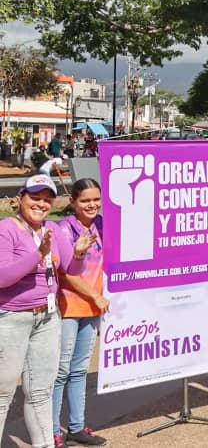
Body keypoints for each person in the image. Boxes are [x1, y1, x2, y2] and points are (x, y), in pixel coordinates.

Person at [0, 175, 94, 447]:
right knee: (3, 395)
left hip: (48, 318)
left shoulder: (52, 229)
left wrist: (78, 254)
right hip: (12, 319)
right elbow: (3, 278)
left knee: (40, 392)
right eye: (35, 197)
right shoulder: (7, 229)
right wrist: (38, 254)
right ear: (21, 198)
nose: (41, 204)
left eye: (46, 199)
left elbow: (73, 270)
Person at [52, 179, 108, 448]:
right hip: (68, 307)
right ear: (73, 202)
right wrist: (95, 295)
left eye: (96, 199)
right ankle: (52, 430)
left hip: (91, 308)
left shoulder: (101, 225)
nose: (92, 205)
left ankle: (76, 426)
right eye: (85, 200)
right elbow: (65, 273)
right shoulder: (64, 229)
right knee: (60, 371)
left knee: (79, 371)